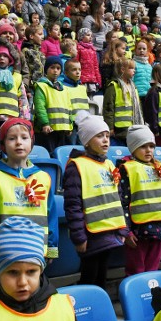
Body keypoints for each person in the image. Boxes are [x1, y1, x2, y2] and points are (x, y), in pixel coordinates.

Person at [63, 112, 129, 288]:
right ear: (86, 141)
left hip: (110, 231)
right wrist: (79, 237)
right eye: (99, 136)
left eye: (107, 136)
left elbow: (119, 199)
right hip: (90, 235)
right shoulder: (76, 166)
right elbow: (73, 206)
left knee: (102, 276)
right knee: (90, 276)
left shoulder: (109, 164)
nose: (106, 140)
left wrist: (122, 229)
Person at [0, 118, 58, 264]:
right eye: (12, 138)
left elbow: (51, 215)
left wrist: (52, 247)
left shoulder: (43, 177)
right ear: (3, 145)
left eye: (24, 137)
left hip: (37, 252)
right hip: (4, 253)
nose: (19, 142)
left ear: (32, 143)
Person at [118, 125, 161, 275]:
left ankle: (151, 295)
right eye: (143, 146)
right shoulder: (126, 169)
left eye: (151, 146)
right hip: (137, 231)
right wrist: (127, 232)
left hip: (159, 228)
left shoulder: (160, 167)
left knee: (153, 269)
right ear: (132, 148)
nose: (148, 150)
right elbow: (122, 202)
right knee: (136, 270)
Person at [33, 56, 73, 153]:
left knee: (62, 153)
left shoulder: (64, 88)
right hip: (48, 130)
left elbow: (69, 108)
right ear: (46, 69)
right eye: (52, 68)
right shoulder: (41, 86)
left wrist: (70, 125)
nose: (55, 71)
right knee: (49, 153)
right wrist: (45, 124)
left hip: (62, 129)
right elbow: (40, 107)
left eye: (58, 68)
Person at [103, 58, 143, 145]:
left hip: (133, 128)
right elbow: (108, 108)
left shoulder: (133, 87)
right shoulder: (113, 86)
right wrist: (110, 127)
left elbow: (138, 107)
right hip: (119, 130)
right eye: (131, 68)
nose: (134, 71)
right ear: (122, 70)